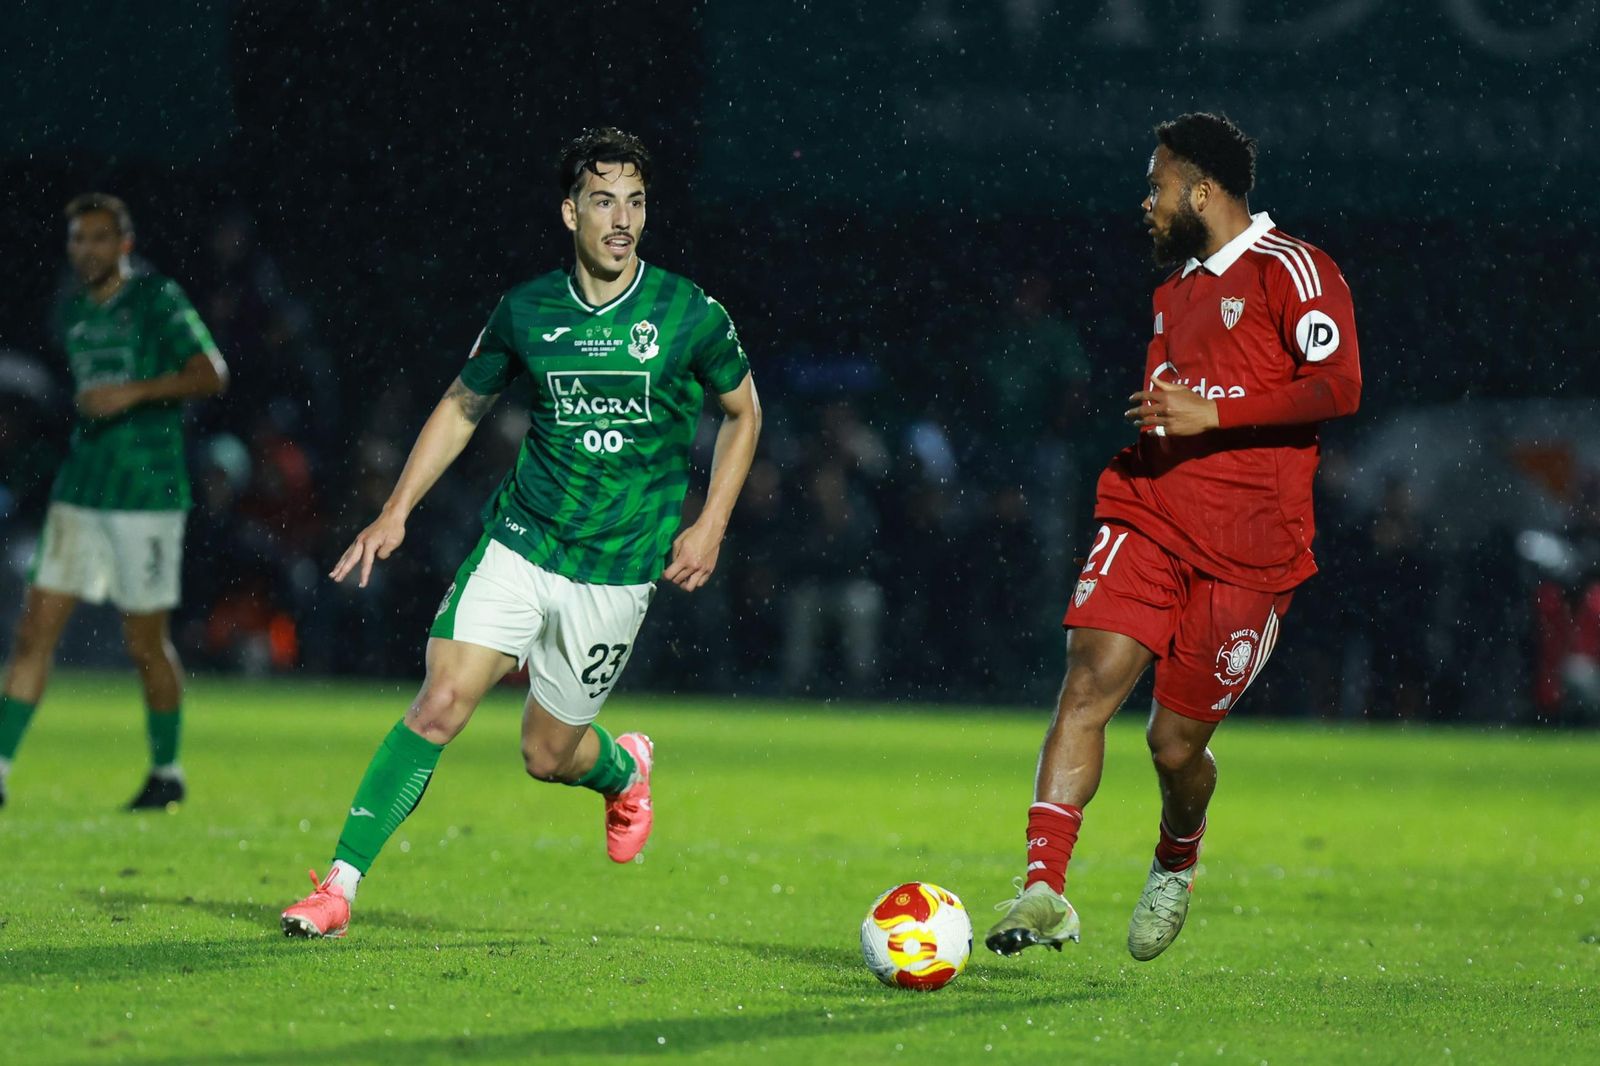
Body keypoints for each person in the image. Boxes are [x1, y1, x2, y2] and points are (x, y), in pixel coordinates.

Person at [281, 127, 762, 938]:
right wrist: (396, 508)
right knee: (440, 702)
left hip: (616, 572)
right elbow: (464, 403)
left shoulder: (688, 313)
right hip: (522, 542)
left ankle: (621, 769)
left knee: (546, 755)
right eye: (604, 201)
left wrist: (711, 522)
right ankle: (339, 886)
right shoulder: (527, 310)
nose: (622, 220)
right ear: (569, 210)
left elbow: (744, 412)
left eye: (636, 202)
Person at [985, 113, 1361, 961]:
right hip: (1149, 511)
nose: (1145, 202)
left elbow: (1339, 385)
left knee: (1173, 744)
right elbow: (1176, 402)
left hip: (1251, 550)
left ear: (1201, 190)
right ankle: (1045, 886)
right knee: (1087, 684)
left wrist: (1213, 412)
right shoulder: (1173, 291)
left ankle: (1176, 855)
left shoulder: (1294, 269)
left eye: (1155, 186)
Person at [0, 194, 228, 811]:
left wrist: (132, 394)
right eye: (78, 239)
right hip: (81, 489)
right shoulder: (71, 310)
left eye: (100, 238)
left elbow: (211, 372)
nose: (88, 250)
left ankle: (167, 771)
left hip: (148, 494)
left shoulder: (158, 300)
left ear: (124, 244)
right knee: (32, 635)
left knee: (144, 644)